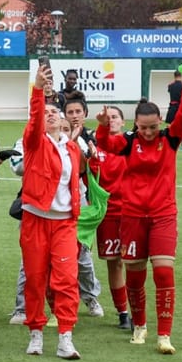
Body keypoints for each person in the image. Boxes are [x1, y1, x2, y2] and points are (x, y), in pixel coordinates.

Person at [94, 71, 182, 354]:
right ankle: (139, 326)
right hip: (133, 216)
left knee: (163, 273)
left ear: (159, 122)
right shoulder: (127, 142)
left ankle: (164, 335)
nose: (148, 132)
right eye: (143, 127)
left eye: (152, 127)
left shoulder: (171, 138)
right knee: (135, 277)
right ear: (136, 124)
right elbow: (106, 145)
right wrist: (102, 127)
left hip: (163, 216)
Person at [19, 64, 84, 360]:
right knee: (35, 279)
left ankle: (65, 338)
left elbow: (75, 186)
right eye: (46, 113)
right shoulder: (34, 143)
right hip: (35, 220)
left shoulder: (71, 148)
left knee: (67, 280)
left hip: (64, 224)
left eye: (54, 112)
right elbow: (34, 119)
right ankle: (36, 334)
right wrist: (37, 89)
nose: (51, 115)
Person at [88, 105, 130, 329]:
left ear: (123, 122)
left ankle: (136, 311)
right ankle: (123, 312)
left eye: (115, 117)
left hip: (132, 213)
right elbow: (88, 180)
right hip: (108, 215)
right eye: (108, 117)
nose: (111, 120)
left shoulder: (130, 145)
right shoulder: (97, 148)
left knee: (133, 262)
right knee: (116, 264)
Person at [63, 92, 105, 318]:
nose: (74, 115)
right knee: (59, 260)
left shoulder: (91, 138)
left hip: (83, 206)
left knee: (83, 259)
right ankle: (56, 305)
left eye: (78, 111)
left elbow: (84, 169)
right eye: (70, 112)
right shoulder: (58, 135)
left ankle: (90, 298)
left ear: (85, 113)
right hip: (58, 206)